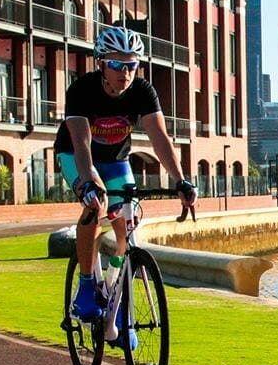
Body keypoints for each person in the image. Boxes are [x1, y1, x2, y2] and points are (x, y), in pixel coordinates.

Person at [57, 25, 195, 346]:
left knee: (127, 226)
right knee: (96, 206)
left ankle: (117, 309)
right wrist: (90, 181)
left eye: (132, 64)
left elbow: (160, 138)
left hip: (117, 160)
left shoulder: (143, 91)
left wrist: (180, 180)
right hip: (77, 156)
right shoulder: (82, 90)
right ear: (101, 63)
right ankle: (87, 286)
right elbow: (81, 142)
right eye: (118, 64)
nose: (125, 72)